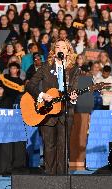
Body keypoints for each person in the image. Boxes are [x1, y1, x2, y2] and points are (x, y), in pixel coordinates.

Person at [26, 39, 79, 175]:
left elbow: (73, 89)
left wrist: (73, 98)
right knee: (49, 146)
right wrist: (42, 95)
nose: (60, 49)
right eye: (57, 47)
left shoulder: (74, 70)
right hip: (47, 111)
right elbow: (30, 85)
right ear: (54, 51)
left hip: (66, 112)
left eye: (63, 47)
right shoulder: (45, 67)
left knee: (63, 146)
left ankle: (62, 178)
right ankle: (49, 178)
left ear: (68, 52)